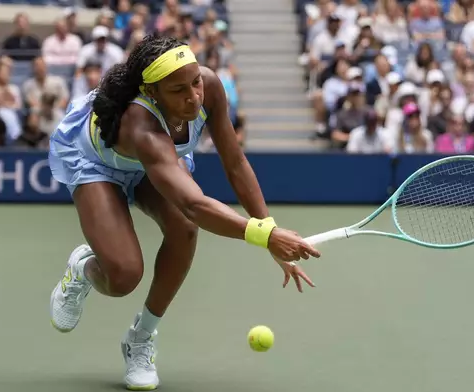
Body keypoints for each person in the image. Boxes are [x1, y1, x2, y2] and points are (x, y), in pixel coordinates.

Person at [47, 35, 321, 391]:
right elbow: (194, 202)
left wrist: (268, 229)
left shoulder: (208, 86)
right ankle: (82, 268)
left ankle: (140, 338)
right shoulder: (139, 124)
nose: (193, 97)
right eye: (179, 90)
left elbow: (235, 162)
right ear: (151, 91)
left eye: (194, 83)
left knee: (185, 229)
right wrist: (266, 236)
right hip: (98, 165)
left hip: (157, 165)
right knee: (123, 277)